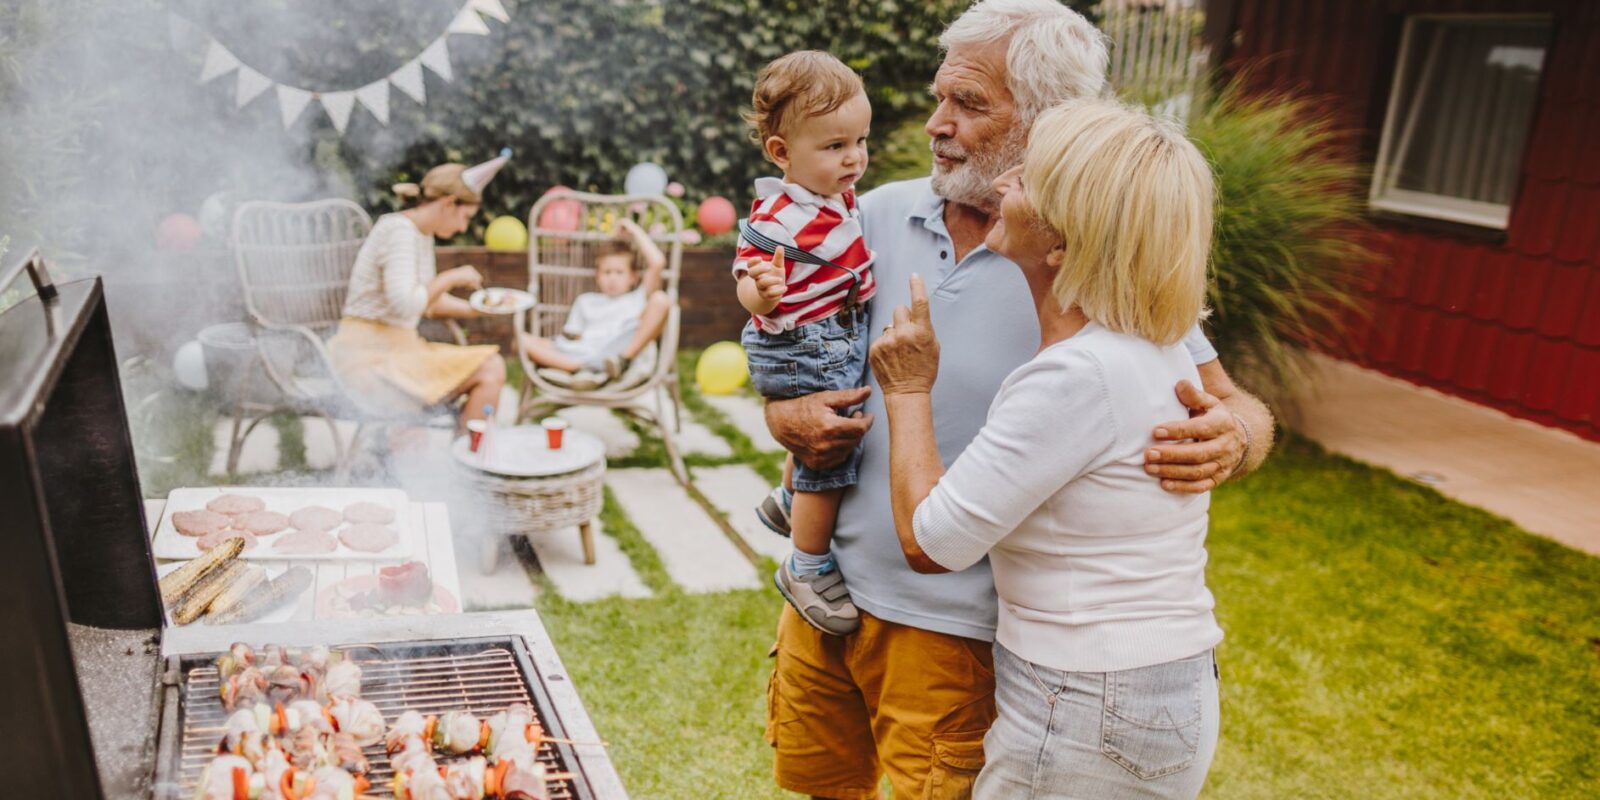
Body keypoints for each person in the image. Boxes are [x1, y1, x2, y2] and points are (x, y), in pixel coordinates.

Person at [747, 2, 1277, 797]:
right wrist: (782, 417)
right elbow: (794, 345)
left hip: (958, 637)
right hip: (822, 599)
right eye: (939, 97)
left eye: (969, 104)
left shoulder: (1093, 274)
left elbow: (1237, 405)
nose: (936, 123)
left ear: (1048, 122)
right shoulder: (869, 212)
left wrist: (1235, 437)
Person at [873, 99, 1222, 799]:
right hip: (1155, 685)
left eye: (1027, 182)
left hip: (1086, 704)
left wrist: (908, 389)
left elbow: (931, 542)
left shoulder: (1076, 377)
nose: (1003, 185)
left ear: (1063, 243)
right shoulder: (1153, 350)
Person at [732, 51, 877, 636]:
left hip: (830, 332)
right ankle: (807, 565)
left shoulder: (834, 193)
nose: (855, 157)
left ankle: (786, 501)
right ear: (781, 153)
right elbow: (746, 278)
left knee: (824, 430)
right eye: (836, 145)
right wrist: (763, 294)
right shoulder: (779, 215)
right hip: (800, 341)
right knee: (830, 449)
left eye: (861, 140)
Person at [329, 157, 508, 432]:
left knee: (491, 367)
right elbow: (407, 305)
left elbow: (427, 303)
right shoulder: (397, 231)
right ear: (449, 203)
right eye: (465, 217)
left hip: (404, 351)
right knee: (408, 399)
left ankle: (468, 464)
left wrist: (476, 309)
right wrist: (451, 277)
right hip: (367, 358)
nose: (463, 228)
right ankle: (407, 472)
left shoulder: (420, 234)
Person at [519, 217, 671, 391]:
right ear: (597, 276)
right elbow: (572, 338)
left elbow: (658, 262)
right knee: (521, 339)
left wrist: (633, 230)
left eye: (619, 272)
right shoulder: (586, 301)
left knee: (661, 299)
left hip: (617, 352)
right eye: (607, 272)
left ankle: (622, 362)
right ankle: (579, 370)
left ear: (633, 277)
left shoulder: (638, 298)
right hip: (582, 352)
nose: (612, 278)